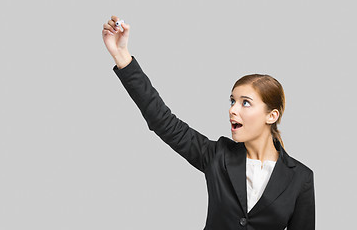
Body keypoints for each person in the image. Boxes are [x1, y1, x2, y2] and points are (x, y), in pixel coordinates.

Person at [102, 15, 315, 230]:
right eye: (232, 101)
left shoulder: (300, 178)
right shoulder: (218, 155)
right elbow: (162, 120)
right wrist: (122, 56)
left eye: (246, 103)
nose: (233, 109)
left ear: (272, 116)